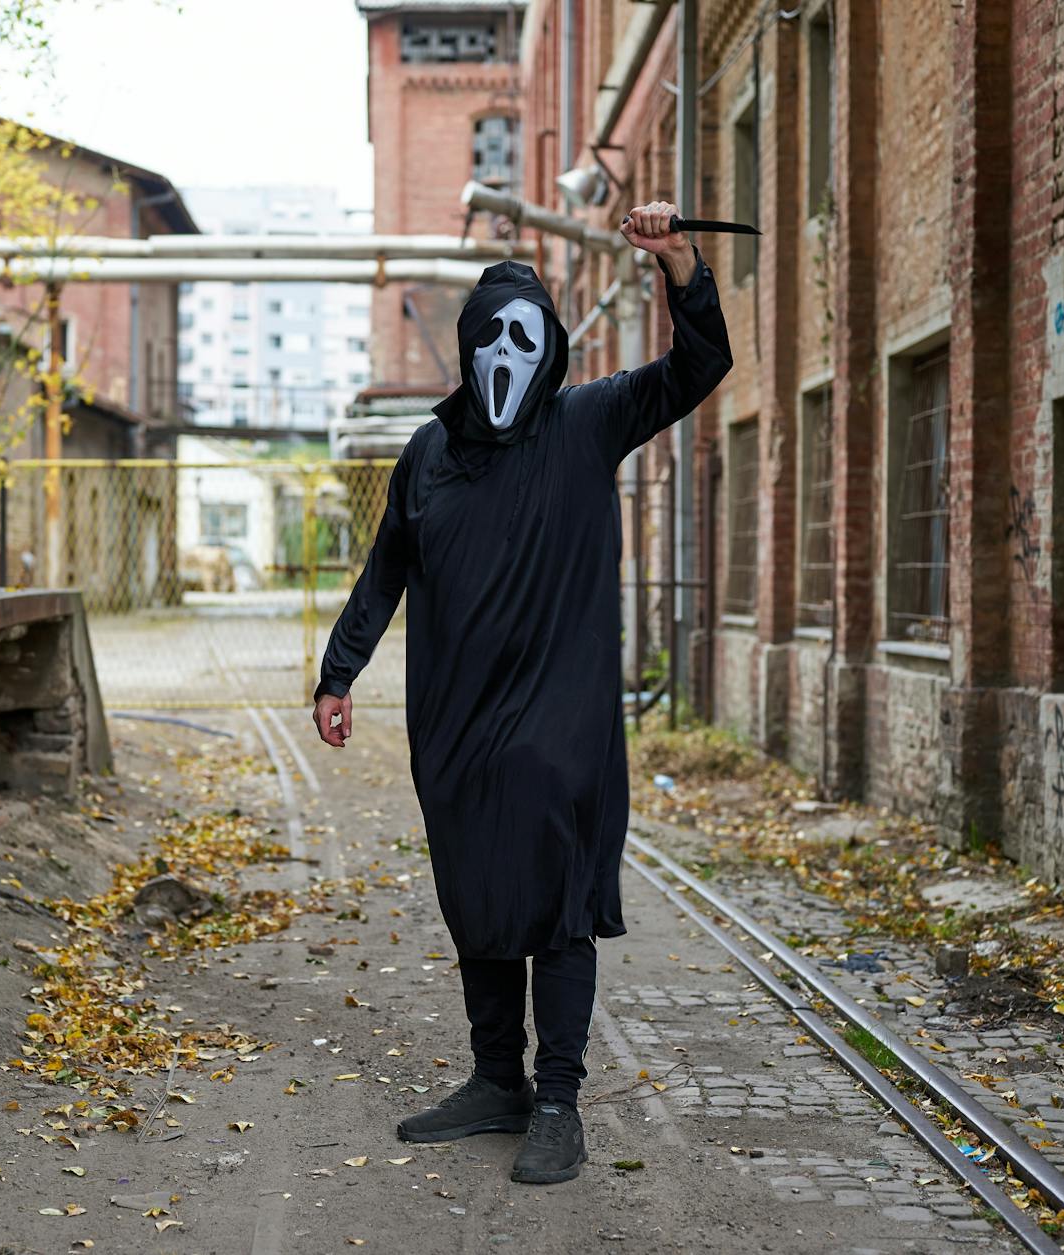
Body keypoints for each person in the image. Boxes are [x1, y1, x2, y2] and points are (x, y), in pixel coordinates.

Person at [309, 203, 732, 1185]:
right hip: (454, 721)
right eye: (491, 334)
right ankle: (494, 1079)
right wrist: (338, 671)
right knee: (477, 892)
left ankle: (557, 1099)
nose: (506, 351)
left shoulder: (586, 422)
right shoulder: (428, 452)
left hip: (557, 717)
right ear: (466, 345)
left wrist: (680, 268)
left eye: (525, 335)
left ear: (548, 349)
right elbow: (384, 572)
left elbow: (695, 369)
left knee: (554, 899)